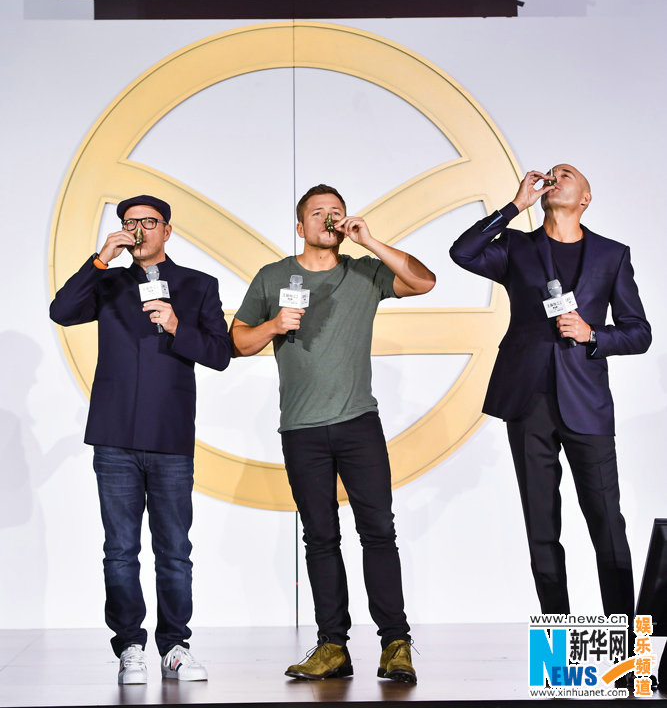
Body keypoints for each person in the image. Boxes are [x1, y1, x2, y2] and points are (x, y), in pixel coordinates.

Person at [231, 184, 435, 685]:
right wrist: (274, 325)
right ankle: (332, 647)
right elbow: (237, 342)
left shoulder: (364, 272)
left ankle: (395, 644)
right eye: (318, 212)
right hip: (301, 428)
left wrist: (371, 241)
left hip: (358, 422)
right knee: (320, 537)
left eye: (336, 212)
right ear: (301, 225)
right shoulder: (273, 276)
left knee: (378, 531)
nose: (328, 218)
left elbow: (424, 281)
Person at [450, 165, 651, 639]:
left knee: (607, 525)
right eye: (551, 173)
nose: (555, 177)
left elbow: (639, 332)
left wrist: (592, 334)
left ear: (586, 197)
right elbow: (462, 252)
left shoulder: (612, 254)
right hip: (528, 401)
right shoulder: (516, 246)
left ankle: (628, 651)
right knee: (541, 529)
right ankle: (558, 648)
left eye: (568, 174)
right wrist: (514, 206)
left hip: (587, 403)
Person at [50, 194, 232, 685]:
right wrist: (101, 259)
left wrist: (176, 325)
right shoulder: (108, 282)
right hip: (114, 436)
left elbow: (220, 354)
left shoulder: (198, 285)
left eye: (149, 222)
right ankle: (130, 646)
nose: (139, 230)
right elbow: (61, 311)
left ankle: (174, 646)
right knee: (119, 550)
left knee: (174, 550)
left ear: (167, 231)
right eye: (130, 223)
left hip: (170, 435)